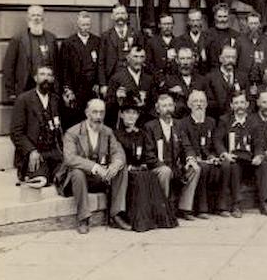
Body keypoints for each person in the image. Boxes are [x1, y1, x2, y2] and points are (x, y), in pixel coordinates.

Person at [59, 99, 130, 234]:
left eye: (101, 113)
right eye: (95, 112)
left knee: (121, 168)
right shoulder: (72, 133)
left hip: (98, 179)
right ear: (87, 113)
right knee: (77, 172)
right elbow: (70, 158)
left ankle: (116, 214)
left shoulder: (107, 132)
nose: (98, 117)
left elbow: (118, 152)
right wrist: (95, 167)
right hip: (78, 180)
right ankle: (83, 218)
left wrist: (115, 164)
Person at [114, 95, 178, 231]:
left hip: (141, 170)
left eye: (134, 113)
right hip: (125, 172)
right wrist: (129, 166)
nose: (131, 117)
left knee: (148, 176)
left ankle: (157, 216)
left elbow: (147, 154)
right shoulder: (116, 135)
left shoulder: (142, 134)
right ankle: (136, 219)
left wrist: (143, 163)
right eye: (127, 113)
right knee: (140, 179)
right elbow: (115, 155)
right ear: (121, 115)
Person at [214, 91, 267, 217]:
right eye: (236, 103)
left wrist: (258, 155)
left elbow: (259, 141)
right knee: (234, 166)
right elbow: (217, 140)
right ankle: (236, 204)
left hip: (250, 158)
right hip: (234, 157)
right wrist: (224, 153)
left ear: (247, 104)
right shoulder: (224, 120)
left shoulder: (254, 121)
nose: (240, 106)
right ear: (231, 105)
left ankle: (265, 202)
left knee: (263, 163)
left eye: (242, 102)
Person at [143, 94, 201, 221]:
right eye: (164, 106)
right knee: (165, 171)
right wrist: (161, 165)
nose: (168, 109)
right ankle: (163, 210)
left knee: (195, 168)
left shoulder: (178, 125)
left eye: (170, 105)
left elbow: (187, 146)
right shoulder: (150, 127)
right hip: (158, 168)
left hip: (176, 166)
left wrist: (190, 159)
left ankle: (184, 208)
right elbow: (149, 155)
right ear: (157, 109)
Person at [181, 90, 231, 218]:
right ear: (189, 104)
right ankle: (202, 209)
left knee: (225, 165)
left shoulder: (211, 122)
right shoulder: (183, 123)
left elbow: (215, 143)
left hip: (208, 158)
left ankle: (221, 206)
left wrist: (213, 156)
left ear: (206, 104)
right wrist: (195, 158)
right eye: (195, 101)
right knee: (203, 167)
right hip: (191, 160)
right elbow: (185, 146)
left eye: (201, 101)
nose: (199, 104)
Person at [10, 66, 63, 185]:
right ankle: (32, 174)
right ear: (35, 78)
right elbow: (16, 133)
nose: (46, 78)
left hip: (53, 153)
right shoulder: (23, 100)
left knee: (66, 175)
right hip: (34, 153)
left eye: (49, 75)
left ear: (53, 79)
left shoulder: (55, 100)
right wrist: (31, 151)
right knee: (40, 181)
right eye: (42, 74)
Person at [2, 5, 58, 103]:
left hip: (47, 87)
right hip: (26, 87)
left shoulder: (51, 38)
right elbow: (9, 66)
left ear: (43, 18)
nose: (36, 18)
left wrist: (57, 88)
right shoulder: (18, 39)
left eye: (39, 15)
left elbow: (57, 65)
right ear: (28, 18)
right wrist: (11, 91)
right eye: (33, 15)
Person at [59, 11, 100, 126]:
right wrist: (68, 89)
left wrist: (98, 82)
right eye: (83, 25)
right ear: (78, 25)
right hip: (76, 88)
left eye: (87, 25)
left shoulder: (97, 41)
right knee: (76, 119)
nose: (85, 28)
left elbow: (100, 65)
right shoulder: (68, 43)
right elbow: (64, 69)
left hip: (92, 88)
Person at [98, 4, 143, 96]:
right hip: (112, 77)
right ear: (112, 16)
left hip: (132, 77)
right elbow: (101, 61)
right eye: (117, 13)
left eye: (123, 13)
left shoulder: (136, 34)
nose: (120, 16)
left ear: (127, 15)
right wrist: (103, 84)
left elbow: (142, 57)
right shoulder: (106, 36)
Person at [105, 45, 155, 125]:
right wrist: (116, 97)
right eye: (135, 57)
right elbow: (108, 105)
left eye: (142, 57)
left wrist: (144, 104)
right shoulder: (117, 78)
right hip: (124, 125)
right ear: (128, 58)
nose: (138, 60)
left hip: (144, 124)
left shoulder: (149, 79)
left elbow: (153, 104)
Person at [236, 11, 267, 95]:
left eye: (256, 23)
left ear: (259, 25)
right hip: (244, 81)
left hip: (262, 82)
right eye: (251, 23)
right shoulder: (239, 41)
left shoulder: (266, 41)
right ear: (247, 24)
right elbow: (235, 61)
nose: (253, 26)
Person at [162, 47, 209, 119]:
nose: (185, 62)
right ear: (177, 60)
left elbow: (209, 102)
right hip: (177, 122)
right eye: (182, 59)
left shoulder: (202, 80)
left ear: (193, 60)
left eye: (188, 58)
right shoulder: (169, 81)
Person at [206, 44, 249, 120]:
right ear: (220, 59)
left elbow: (249, 99)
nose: (230, 60)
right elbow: (209, 102)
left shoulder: (243, 77)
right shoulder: (210, 78)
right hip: (217, 119)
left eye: (233, 57)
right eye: (227, 57)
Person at [204, 3, 241, 72]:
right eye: (220, 17)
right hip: (213, 72)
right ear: (215, 17)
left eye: (225, 16)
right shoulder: (207, 34)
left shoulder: (236, 35)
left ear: (228, 17)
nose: (222, 20)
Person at [175, 8, 212, 75]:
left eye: (197, 20)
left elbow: (214, 64)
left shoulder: (209, 40)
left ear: (201, 21)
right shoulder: (179, 41)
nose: (195, 24)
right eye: (192, 21)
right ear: (188, 22)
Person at [145, 13, 178, 85]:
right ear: (159, 25)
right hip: (157, 81)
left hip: (175, 81)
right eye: (164, 24)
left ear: (173, 25)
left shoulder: (179, 42)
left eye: (169, 24)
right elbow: (148, 64)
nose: (167, 27)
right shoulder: (152, 42)